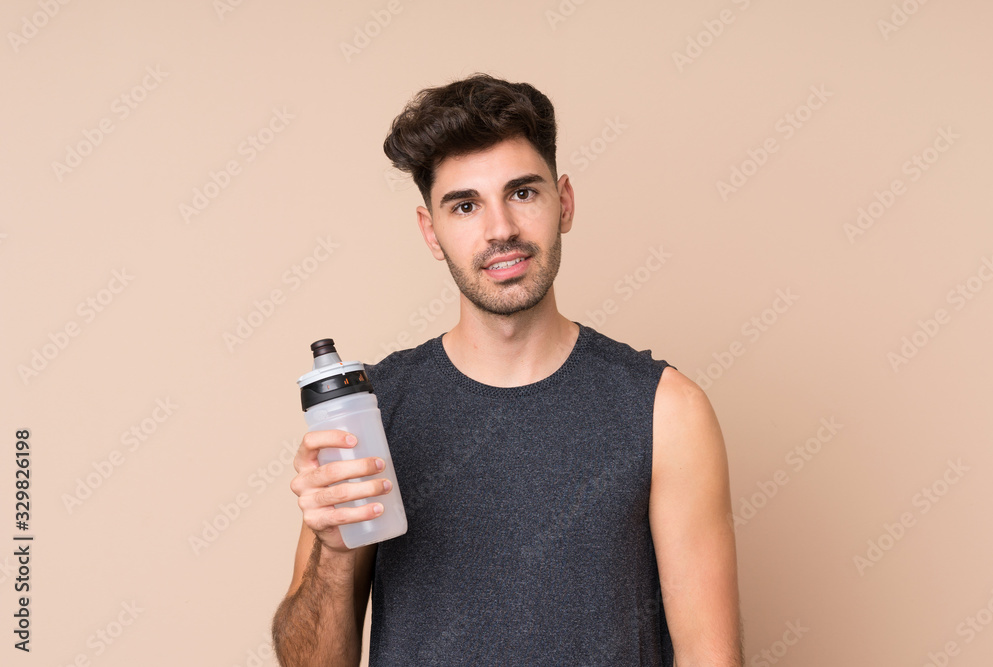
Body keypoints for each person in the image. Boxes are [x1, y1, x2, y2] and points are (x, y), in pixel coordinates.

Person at [271, 72, 743, 666]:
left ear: (564, 202)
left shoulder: (666, 411)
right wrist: (334, 554)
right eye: (465, 206)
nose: (501, 230)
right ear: (431, 232)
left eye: (522, 193)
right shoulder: (371, 413)